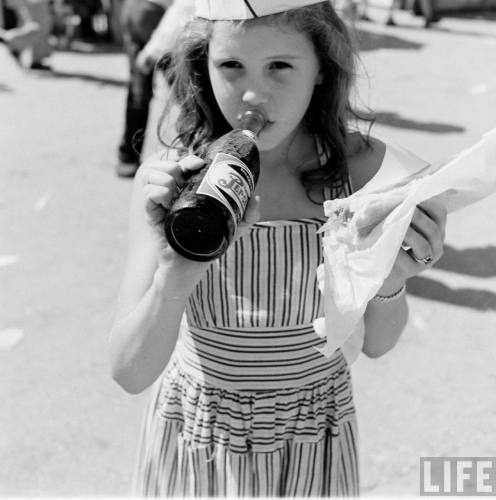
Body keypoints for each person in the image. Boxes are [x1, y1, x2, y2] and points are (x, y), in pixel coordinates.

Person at [108, 0, 447, 496]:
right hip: (199, 434)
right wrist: (175, 268)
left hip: (312, 432)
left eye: (281, 67)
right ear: (203, 68)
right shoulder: (175, 180)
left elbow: (377, 343)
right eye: (231, 66)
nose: (252, 92)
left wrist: (392, 278)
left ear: (321, 71)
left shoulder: (365, 174)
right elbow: (129, 372)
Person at [115, 0, 173, 178]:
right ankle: (198, 152)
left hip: (133, 8)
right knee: (187, 91)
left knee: (138, 89)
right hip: (159, 13)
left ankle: (128, 157)